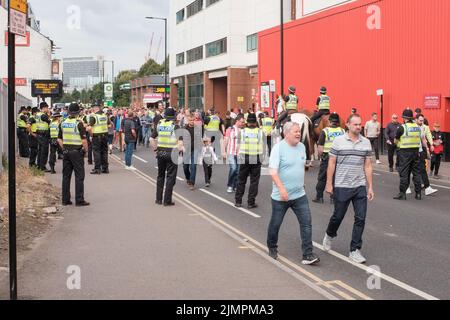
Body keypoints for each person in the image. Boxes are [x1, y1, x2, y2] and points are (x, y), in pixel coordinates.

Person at [323, 114, 374, 264]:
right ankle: (329, 234)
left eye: (360, 124)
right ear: (348, 125)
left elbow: (368, 165)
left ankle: (354, 250)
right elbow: (331, 163)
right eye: (356, 124)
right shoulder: (338, 141)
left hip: (359, 186)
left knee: (361, 218)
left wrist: (370, 186)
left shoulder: (366, 143)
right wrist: (329, 183)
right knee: (337, 216)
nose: (359, 127)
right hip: (342, 185)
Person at [266, 122, 320, 265]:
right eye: (295, 131)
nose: (298, 134)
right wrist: (282, 188)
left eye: (299, 131)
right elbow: (272, 171)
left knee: (306, 224)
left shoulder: (302, 147)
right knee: (276, 224)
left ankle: (308, 254)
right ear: (286, 133)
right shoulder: (278, 148)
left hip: (299, 195)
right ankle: (272, 247)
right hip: (281, 197)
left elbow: (301, 166)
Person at [57, 103, 90, 207]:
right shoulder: (79, 123)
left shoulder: (63, 122)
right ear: (78, 112)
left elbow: (59, 139)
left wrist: (64, 148)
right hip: (77, 152)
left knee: (66, 176)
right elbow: (84, 140)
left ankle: (65, 200)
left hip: (66, 152)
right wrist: (86, 151)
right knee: (79, 176)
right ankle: (79, 200)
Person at [151, 108, 183, 206]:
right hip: (171, 154)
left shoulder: (159, 125)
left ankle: (158, 199)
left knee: (160, 176)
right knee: (170, 177)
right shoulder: (175, 126)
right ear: (173, 116)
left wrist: (156, 150)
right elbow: (180, 143)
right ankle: (167, 200)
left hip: (160, 153)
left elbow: (151, 138)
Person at [312, 113, 345, 204]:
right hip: (339, 157)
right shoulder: (342, 131)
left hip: (327, 157)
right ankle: (333, 198)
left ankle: (319, 197)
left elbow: (320, 148)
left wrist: (321, 156)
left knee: (322, 177)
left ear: (329, 121)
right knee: (336, 178)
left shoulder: (325, 131)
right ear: (338, 122)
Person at [393, 109, 426, 200]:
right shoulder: (417, 127)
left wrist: (398, 143)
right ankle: (418, 194)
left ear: (404, 118)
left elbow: (395, 140)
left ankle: (402, 193)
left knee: (404, 173)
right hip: (416, 152)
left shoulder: (402, 127)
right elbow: (421, 138)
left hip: (405, 153)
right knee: (416, 173)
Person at [235, 113, 264, 209]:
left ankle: (238, 201)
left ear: (247, 122)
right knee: (254, 181)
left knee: (241, 180)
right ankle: (251, 202)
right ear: (255, 122)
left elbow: (238, 146)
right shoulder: (260, 132)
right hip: (256, 158)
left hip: (244, 157)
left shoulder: (242, 132)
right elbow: (263, 146)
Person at [416, 114, 438, 196]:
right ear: (416, 119)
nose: (422, 122)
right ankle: (405, 187)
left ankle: (427, 188)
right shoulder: (412, 127)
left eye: (423, 120)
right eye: (420, 120)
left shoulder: (423, 127)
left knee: (422, 168)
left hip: (420, 151)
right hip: (410, 152)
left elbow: (424, 138)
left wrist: (429, 147)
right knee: (409, 169)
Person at [223, 114, 245, 193]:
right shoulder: (230, 129)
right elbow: (225, 140)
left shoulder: (243, 131)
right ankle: (230, 185)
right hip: (231, 152)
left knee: (238, 171)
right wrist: (224, 151)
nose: (243, 123)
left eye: (244, 122)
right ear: (237, 121)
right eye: (242, 122)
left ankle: (235, 185)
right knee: (234, 168)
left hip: (240, 154)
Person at [181, 115, 203, 190]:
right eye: (190, 120)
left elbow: (200, 139)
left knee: (193, 166)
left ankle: (192, 183)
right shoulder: (184, 128)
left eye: (193, 120)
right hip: (186, 150)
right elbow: (180, 139)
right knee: (185, 167)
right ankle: (188, 178)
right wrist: (182, 147)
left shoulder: (198, 129)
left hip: (195, 149)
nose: (192, 122)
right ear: (188, 121)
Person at [89, 104, 110, 174]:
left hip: (97, 137)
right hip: (105, 136)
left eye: (93, 108)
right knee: (104, 152)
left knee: (96, 152)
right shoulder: (105, 115)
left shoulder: (94, 116)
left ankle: (97, 169)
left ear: (95, 108)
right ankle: (105, 168)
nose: (92, 110)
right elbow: (109, 125)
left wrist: (91, 135)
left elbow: (89, 127)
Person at [36, 102, 51, 172]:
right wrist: (48, 114)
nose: (47, 109)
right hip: (43, 135)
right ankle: (43, 167)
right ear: (44, 108)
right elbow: (49, 121)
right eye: (47, 108)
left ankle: (39, 165)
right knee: (44, 151)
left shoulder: (37, 114)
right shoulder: (43, 115)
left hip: (39, 133)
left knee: (40, 151)